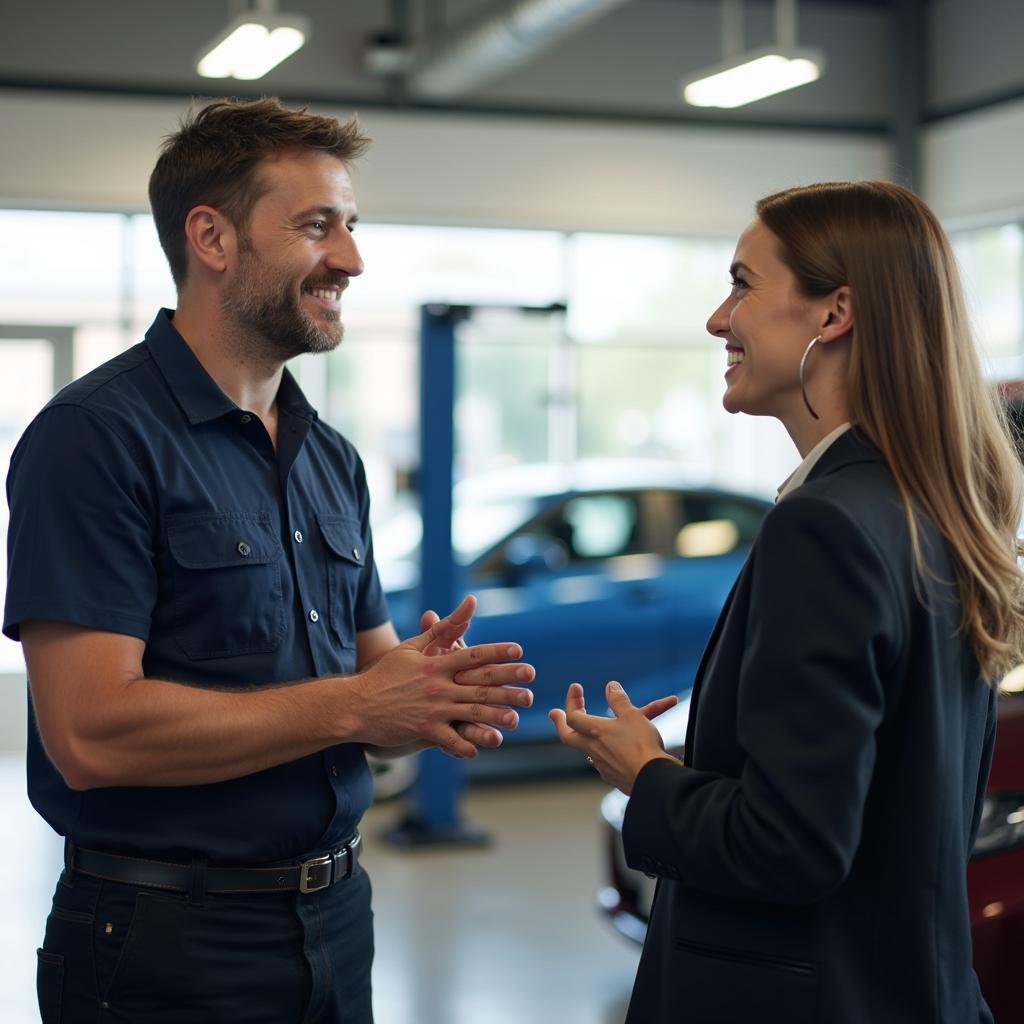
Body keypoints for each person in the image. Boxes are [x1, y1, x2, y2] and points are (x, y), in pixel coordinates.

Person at [4, 98, 536, 1024]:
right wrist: (360, 702)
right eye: (315, 226)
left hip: (336, 918)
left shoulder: (330, 458)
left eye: (352, 227)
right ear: (210, 237)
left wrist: (428, 698)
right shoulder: (96, 439)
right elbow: (89, 736)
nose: (351, 259)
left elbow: (374, 705)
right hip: (164, 940)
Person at [551, 180, 1024, 1023]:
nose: (717, 319)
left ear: (833, 313)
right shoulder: (927, 509)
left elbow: (791, 846)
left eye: (742, 283)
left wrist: (647, 775)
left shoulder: (825, 527)